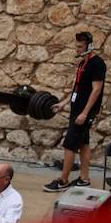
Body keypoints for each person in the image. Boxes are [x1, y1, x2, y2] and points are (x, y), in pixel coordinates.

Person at [45, 31, 106, 192]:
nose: (77, 49)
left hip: (84, 112)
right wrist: (63, 103)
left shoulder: (97, 63)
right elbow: (77, 88)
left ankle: (63, 181)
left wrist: (85, 112)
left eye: (80, 46)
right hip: (76, 109)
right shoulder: (82, 63)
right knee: (84, 144)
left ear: (89, 46)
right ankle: (84, 179)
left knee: (69, 145)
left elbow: (96, 90)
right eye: (76, 46)